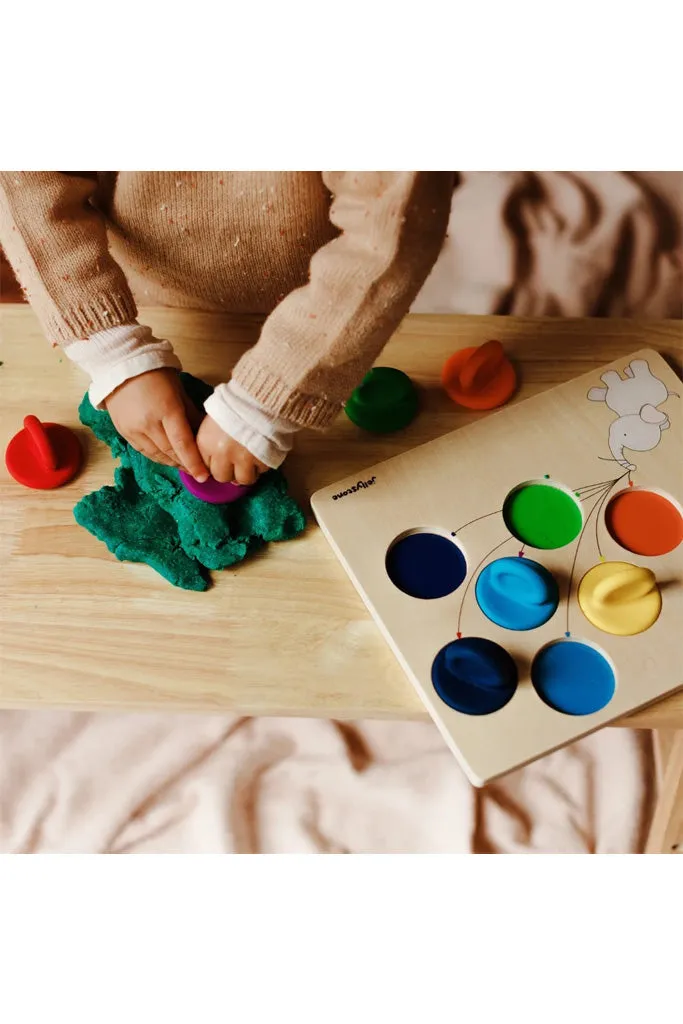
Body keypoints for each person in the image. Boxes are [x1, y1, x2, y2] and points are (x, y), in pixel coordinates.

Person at [0, 172, 453, 484]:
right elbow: (25, 185)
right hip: (140, 296)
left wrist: (270, 397)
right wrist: (113, 349)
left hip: (329, 309)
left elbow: (391, 225)